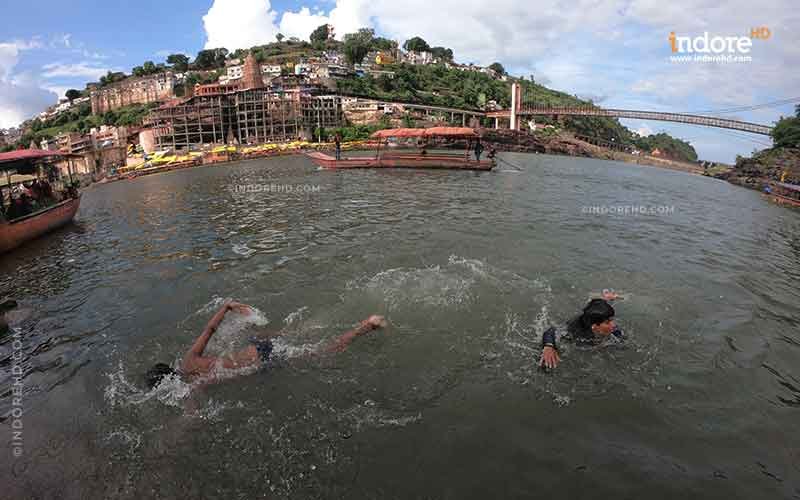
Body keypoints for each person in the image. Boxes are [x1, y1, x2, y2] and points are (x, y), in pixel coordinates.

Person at [146, 301, 388, 389]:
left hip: (265, 357)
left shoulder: (192, 384)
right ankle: (324, 321)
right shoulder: (189, 358)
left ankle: (367, 326)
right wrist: (226, 307)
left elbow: (192, 416)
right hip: (257, 344)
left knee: (324, 352)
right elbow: (209, 330)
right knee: (298, 332)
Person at [539, 291, 623, 370]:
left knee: (602, 308)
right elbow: (551, 331)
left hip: (592, 316)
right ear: (594, 327)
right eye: (608, 322)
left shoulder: (611, 328)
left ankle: (604, 298)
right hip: (583, 322)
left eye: (612, 320)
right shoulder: (576, 332)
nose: (613, 324)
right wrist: (549, 346)